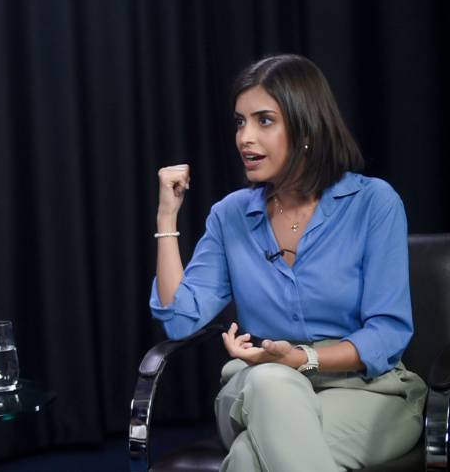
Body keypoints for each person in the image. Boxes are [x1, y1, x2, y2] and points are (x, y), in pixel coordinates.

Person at [150, 54, 426, 471]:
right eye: (240, 121)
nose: (245, 137)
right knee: (270, 381)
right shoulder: (230, 215)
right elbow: (180, 320)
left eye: (264, 120)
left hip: (368, 395)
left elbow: (388, 332)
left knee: (248, 458)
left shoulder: (374, 203)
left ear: (306, 128)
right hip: (254, 392)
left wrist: (302, 359)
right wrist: (166, 217)